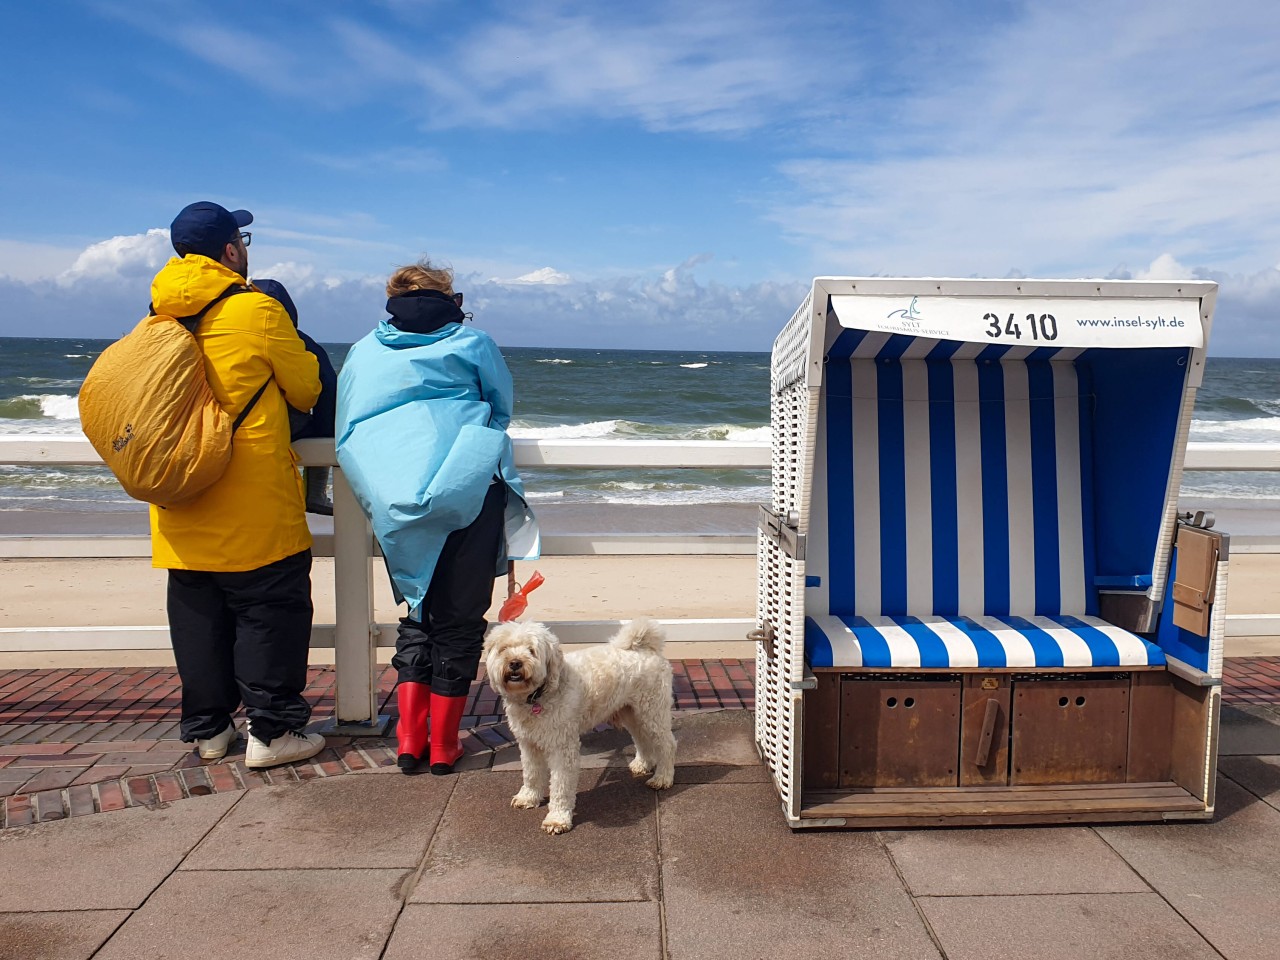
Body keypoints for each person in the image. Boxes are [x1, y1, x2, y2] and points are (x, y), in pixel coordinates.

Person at [335, 258, 539, 775]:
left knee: (418, 614)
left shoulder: (363, 351)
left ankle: (409, 741)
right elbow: (500, 406)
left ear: (392, 299)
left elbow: (349, 426)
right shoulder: (473, 343)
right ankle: (445, 745)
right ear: (450, 297)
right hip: (467, 487)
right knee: (462, 620)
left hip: (396, 499)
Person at [151, 201, 326, 769]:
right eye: (242, 238)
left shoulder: (155, 315)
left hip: (180, 497)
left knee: (199, 618)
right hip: (253, 502)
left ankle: (208, 730)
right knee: (269, 614)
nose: (246, 247)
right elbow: (307, 389)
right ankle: (272, 733)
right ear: (230, 250)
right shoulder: (257, 310)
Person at [254, 278, 337, 515]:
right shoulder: (298, 341)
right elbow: (328, 386)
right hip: (284, 423)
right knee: (321, 424)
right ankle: (315, 494)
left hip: (233, 423)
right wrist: (325, 436)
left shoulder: (230, 333)